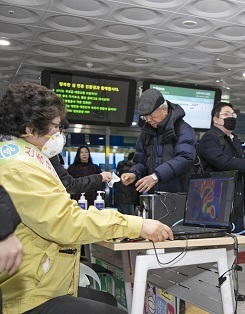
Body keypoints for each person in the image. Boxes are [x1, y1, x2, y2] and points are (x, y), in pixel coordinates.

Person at [0, 82, 173, 314]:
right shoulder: (21, 167)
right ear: (30, 129)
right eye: (53, 126)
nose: (56, 132)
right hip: (32, 293)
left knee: (109, 301)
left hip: (43, 279)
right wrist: (135, 225)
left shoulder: (24, 155)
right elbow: (65, 223)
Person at [199, 102, 245, 233]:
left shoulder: (233, 139)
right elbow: (221, 161)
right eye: (226, 114)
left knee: (235, 240)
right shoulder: (209, 138)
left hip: (235, 199)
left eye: (233, 115)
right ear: (215, 119)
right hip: (215, 200)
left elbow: (242, 162)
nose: (231, 117)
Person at [121, 88, 197, 194]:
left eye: (151, 115)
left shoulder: (183, 129)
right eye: (145, 117)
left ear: (164, 109)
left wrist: (156, 176)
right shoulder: (146, 133)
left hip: (179, 195)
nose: (148, 120)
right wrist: (134, 173)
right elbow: (141, 161)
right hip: (154, 195)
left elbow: (185, 158)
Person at [49, 118, 113, 196]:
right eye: (60, 131)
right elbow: (71, 185)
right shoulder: (70, 167)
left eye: (86, 152)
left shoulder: (95, 167)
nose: (84, 154)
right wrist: (100, 177)